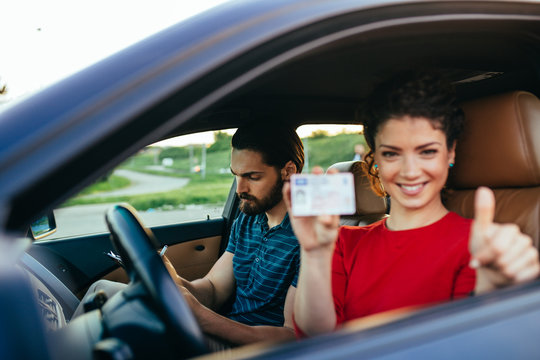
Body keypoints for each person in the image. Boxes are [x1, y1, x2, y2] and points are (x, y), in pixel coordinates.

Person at [284, 71, 540, 337]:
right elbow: (316, 335)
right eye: (392, 154)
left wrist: (491, 290)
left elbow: (471, 342)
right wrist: (313, 254)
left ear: (450, 152)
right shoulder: (340, 242)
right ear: (376, 160)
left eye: (427, 151)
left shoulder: (481, 244)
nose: (410, 171)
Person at [76, 123, 304, 348]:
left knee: (130, 331)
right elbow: (213, 290)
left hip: (251, 349)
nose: (239, 189)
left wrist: (202, 317)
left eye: (252, 177)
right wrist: (170, 277)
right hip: (222, 328)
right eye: (236, 175)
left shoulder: (309, 238)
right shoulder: (248, 219)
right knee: (101, 289)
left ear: (288, 171)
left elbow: (292, 335)